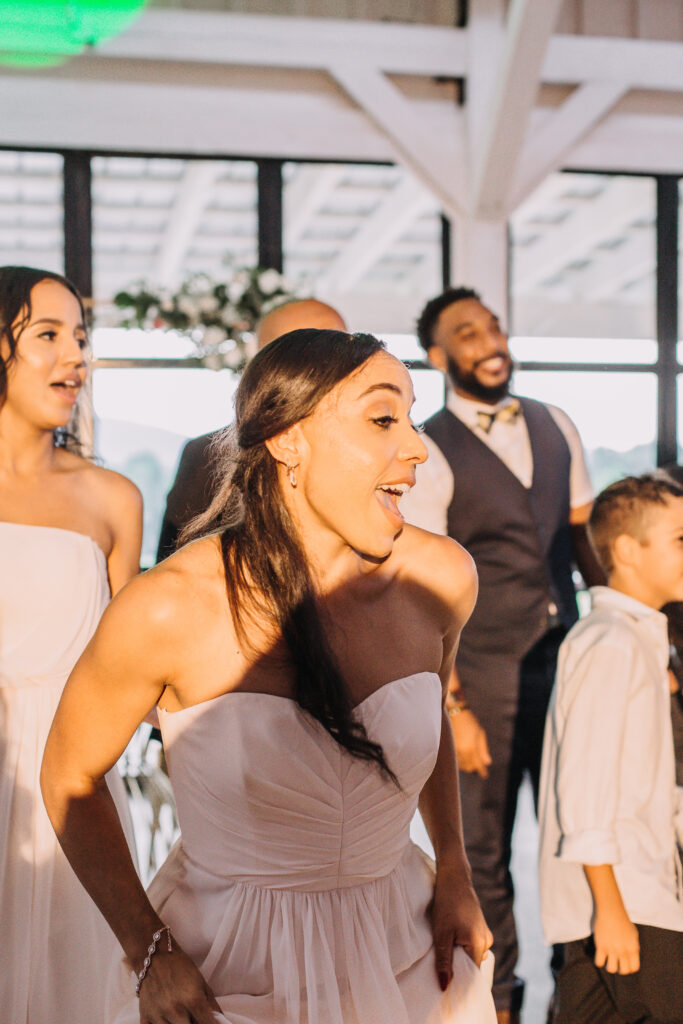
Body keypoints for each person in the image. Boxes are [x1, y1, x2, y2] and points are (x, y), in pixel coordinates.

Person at [42, 328, 497, 1024]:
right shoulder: (167, 608)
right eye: (382, 419)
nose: (415, 448)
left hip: (400, 944)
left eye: (409, 418)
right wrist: (149, 949)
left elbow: (424, 713)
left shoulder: (441, 579)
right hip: (227, 960)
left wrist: (456, 874)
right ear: (287, 439)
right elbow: (70, 777)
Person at [401, 286, 601, 1023]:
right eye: (466, 332)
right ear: (437, 354)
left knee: (576, 832)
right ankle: (497, 1002)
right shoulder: (426, 447)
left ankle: (579, 993)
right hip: (477, 672)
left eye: (492, 327)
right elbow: (424, 588)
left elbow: (580, 541)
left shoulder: (554, 424)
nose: (488, 341)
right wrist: (452, 706)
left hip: (565, 665)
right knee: (482, 854)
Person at [0, 265, 142, 1022]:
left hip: (76, 785)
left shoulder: (112, 497)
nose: (75, 358)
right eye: (48, 335)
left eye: (81, 338)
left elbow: (134, 668)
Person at [538, 473, 683, 1024]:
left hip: (626, 895)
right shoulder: (612, 643)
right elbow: (585, 789)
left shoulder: (632, 638)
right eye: (679, 539)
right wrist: (612, 910)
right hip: (627, 900)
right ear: (626, 550)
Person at [156, 298, 347, 560]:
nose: (335, 363)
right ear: (265, 363)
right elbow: (172, 567)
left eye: (343, 347)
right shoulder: (207, 455)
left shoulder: (375, 444)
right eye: (312, 351)